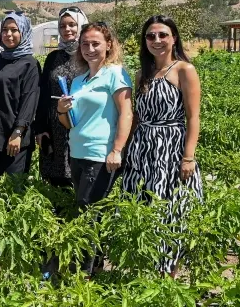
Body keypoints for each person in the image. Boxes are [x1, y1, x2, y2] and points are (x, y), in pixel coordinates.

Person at [123, 15, 203, 276]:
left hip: (170, 149)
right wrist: (125, 149)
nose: (156, 40)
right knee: (141, 206)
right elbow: (135, 116)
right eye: (150, 36)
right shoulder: (141, 74)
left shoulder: (184, 70)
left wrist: (188, 157)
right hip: (142, 149)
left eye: (162, 35)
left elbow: (193, 117)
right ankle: (144, 269)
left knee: (170, 210)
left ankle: (167, 274)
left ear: (174, 38)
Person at [56, 22, 133, 273]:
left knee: (88, 216)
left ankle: (83, 276)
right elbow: (69, 123)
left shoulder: (115, 73)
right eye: (85, 44)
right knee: (89, 213)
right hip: (77, 152)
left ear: (108, 45)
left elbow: (125, 113)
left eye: (95, 43)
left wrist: (117, 149)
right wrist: (61, 110)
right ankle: (94, 269)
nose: (89, 48)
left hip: (100, 155)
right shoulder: (79, 80)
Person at [35, 7, 89, 188]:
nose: (67, 30)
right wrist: (41, 128)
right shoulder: (53, 57)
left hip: (81, 123)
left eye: (72, 25)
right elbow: (43, 93)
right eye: (63, 26)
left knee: (81, 176)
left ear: (81, 26)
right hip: (55, 125)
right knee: (56, 179)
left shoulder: (89, 55)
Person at [0, 12, 41, 175]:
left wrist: (18, 131)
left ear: (23, 32)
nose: (8, 34)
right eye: (4, 30)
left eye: (14, 30)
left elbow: (30, 100)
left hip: (16, 139)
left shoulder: (29, 64)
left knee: (12, 190)